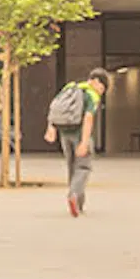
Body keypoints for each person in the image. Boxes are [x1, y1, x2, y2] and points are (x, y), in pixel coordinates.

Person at [50, 67, 109, 216]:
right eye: (102, 88)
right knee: (83, 167)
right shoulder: (91, 95)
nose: (101, 92)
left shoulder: (70, 87)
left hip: (64, 133)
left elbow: (54, 107)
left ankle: (78, 203)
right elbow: (88, 119)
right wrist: (84, 142)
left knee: (72, 167)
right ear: (95, 81)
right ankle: (74, 196)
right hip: (79, 133)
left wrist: (51, 128)